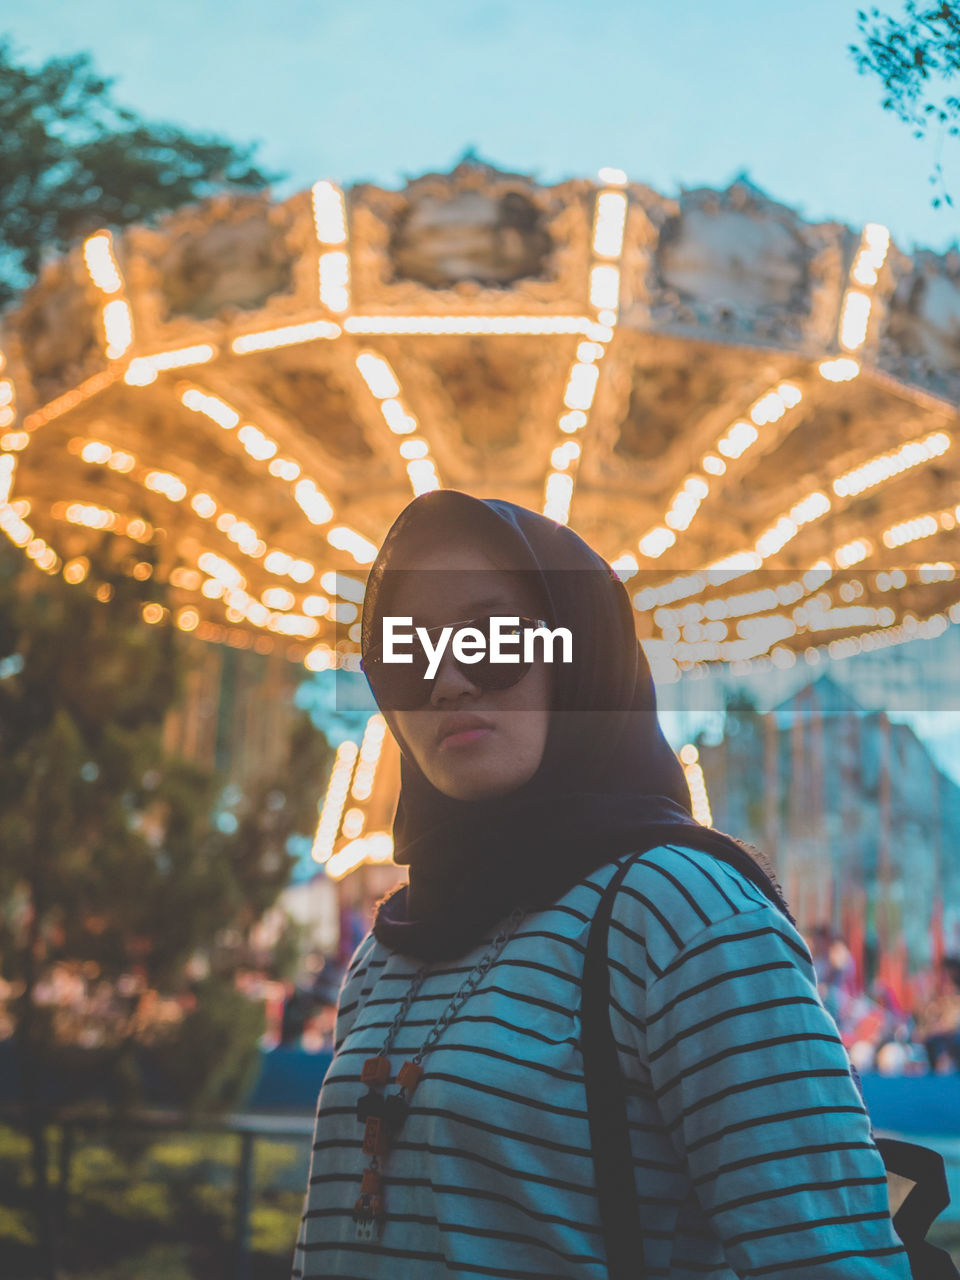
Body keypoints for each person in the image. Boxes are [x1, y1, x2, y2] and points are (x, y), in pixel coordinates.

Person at [292, 489, 910, 1279]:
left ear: (578, 652)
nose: (447, 682)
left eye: (490, 639)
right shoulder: (387, 951)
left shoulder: (683, 915)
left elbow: (830, 1258)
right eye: (409, 655)